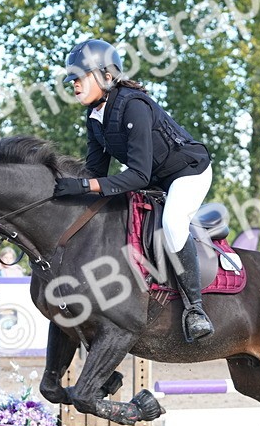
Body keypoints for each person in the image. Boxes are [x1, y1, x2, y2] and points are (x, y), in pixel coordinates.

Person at [52, 38, 215, 342]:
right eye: (72, 79)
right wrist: (69, 188)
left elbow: (138, 174)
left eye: (80, 77)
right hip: (155, 178)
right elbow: (96, 172)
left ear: (106, 76)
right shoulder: (95, 117)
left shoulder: (134, 106)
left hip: (188, 172)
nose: (74, 84)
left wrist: (86, 185)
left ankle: (195, 309)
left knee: (172, 224)